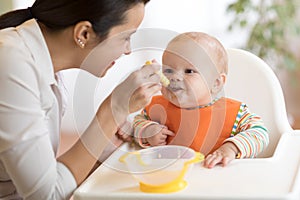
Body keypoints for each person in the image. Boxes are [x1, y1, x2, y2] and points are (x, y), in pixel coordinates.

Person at [0, 0, 164, 199]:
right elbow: (47, 194)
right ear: (84, 34)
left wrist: (103, 145)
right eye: (126, 38)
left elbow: (40, 174)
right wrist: (113, 110)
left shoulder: (44, 65)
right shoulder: (11, 63)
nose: (128, 50)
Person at [132, 32, 269, 168]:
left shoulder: (235, 114)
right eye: (168, 71)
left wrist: (231, 149)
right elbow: (136, 124)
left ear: (215, 83)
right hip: (169, 182)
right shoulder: (155, 106)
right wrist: (147, 132)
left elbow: (260, 133)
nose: (175, 77)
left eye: (189, 71)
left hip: (218, 183)